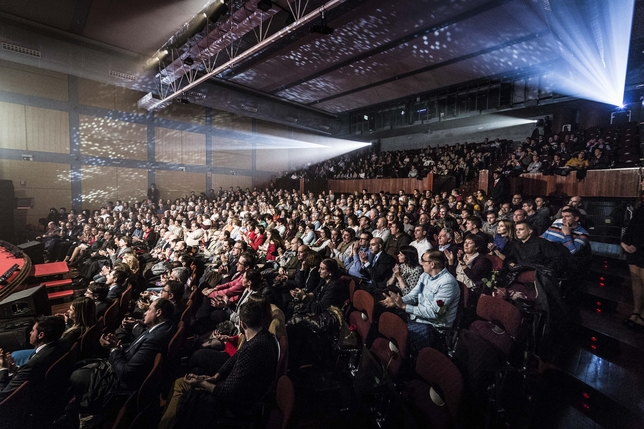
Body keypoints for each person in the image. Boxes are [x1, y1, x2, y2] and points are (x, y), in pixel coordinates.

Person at [158, 298, 279, 429]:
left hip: (235, 405)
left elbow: (229, 393)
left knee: (180, 385)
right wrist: (216, 376)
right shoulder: (264, 336)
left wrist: (203, 383)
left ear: (242, 324)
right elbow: (236, 357)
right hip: (245, 395)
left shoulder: (253, 349)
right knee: (192, 375)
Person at [381, 250, 460, 352]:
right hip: (419, 319)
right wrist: (397, 301)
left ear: (432, 264)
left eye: (423, 261)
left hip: (434, 327)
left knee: (399, 335)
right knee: (388, 325)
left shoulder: (447, 283)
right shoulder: (425, 276)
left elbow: (435, 313)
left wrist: (405, 306)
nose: (421, 263)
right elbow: (414, 296)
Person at [287, 258, 346, 368]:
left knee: (293, 324)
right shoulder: (324, 280)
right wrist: (301, 294)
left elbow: (319, 308)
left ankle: (295, 360)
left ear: (330, 272)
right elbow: (314, 293)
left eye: (322, 269)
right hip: (318, 311)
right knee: (292, 307)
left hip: (327, 318)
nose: (318, 271)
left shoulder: (335, 286)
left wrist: (304, 298)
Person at [0, 316, 67, 403]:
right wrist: (14, 369)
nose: (30, 333)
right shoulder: (62, 345)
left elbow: (3, 396)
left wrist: (3, 368)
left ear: (41, 335)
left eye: (32, 331)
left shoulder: (32, 364)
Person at [621, 183, 644, 328]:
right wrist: (624, 241)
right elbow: (633, 225)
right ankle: (636, 311)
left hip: (641, 247)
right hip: (632, 247)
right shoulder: (641, 203)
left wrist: (638, 244)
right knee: (636, 280)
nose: (641, 183)